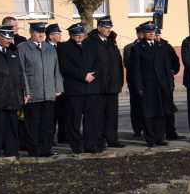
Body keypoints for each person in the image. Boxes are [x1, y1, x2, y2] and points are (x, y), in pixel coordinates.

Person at [126, 22, 177, 147]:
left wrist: (170, 83)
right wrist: (138, 86)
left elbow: (167, 66)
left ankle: (160, 137)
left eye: (153, 32)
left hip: (161, 85)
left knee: (161, 112)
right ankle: (150, 139)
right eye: (149, 33)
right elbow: (136, 70)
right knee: (148, 113)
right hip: (147, 85)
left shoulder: (161, 46)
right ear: (143, 34)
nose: (151, 34)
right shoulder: (137, 48)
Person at [17, 22, 63, 157]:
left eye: (43, 32)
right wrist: (26, 91)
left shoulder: (50, 48)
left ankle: (46, 149)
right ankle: (34, 150)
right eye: (38, 32)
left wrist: (58, 87)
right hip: (33, 92)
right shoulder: (23, 48)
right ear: (31, 32)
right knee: (32, 124)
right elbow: (21, 72)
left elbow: (56, 69)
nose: (41, 35)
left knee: (47, 123)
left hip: (48, 92)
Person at [57, 22, 104, 154]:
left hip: (91, 88)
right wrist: (83, 75)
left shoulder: (91, 45)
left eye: (81, 33)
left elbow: (99, 61)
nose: (80, 36)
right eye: (76, 34)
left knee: (91, 119)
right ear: (71, 35)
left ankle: (90, 145)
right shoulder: (64, 47)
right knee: (74, 120)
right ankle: (77, 146)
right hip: (75, 89)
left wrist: (92, 75)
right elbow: (66, 66)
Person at [0, 25, 27, 158]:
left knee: (12, 129)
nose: (10, 41)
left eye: (11, 38)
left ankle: (12, 154)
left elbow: (20, 73)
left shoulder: (13, 51)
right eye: (7, 38)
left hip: (13, 96)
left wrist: (24, 92)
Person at [87, 16, 125, 149]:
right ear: (99, 28)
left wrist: (120, 81)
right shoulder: (91, 42)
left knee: (112, 115)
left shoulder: (112, 42)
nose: (109, 30)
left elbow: (118, 63)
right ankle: (99, 141)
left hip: (113, 84)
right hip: (100, 86)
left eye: (110, 28)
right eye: (107, 28)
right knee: (99, 116)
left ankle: (112, 139)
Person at [156, 27, 182, 140]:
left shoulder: (166, 46)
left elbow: (175, 62)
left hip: (166, 83)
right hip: (154, 84)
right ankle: (158, 133)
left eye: (158, 34)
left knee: (169, 109)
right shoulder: (143, 46)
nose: (156, 37)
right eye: (154, 34)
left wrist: (172, 71)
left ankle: (171, 131)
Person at [122, 24, 146, 137]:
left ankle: (147, 128)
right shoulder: (129, 47)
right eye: (141, 33)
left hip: (148, 81)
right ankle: (137, 128)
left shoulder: (150, 45)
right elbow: (129, 65)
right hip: (134, 81)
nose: (142, 35)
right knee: (136, 105)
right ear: (138, 34)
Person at [46, 24, 68, 144]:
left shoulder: (61, 46)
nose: (60, 35)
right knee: (51, 115)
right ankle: (50, 137)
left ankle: (63, 135)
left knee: (63, 112)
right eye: (57, 33)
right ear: (50, 36)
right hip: (51, 85)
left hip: (63, 84)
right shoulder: (46, 47)